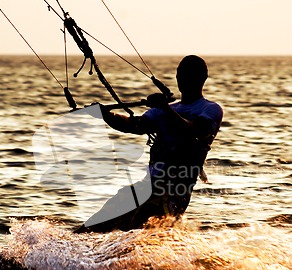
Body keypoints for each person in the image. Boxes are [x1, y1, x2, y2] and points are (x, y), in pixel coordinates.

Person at [74, 55, 223, 233]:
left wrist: (164, 107)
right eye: (181, 74)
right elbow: (135, 125)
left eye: (190, 74)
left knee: (137, 225)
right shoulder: (164, 109)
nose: (184, 79)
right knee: (94, 225)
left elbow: (196, 131)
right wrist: (106, 115)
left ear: (203, 78)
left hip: (175, 192)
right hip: (148, 186)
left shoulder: (210, 109)